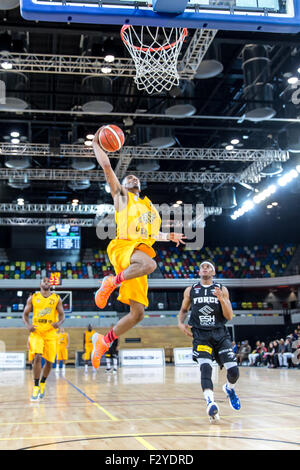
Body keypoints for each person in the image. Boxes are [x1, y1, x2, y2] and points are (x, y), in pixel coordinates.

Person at [91, 128, 186, 369]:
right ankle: (111, 282)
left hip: (139, 252)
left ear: (140, 185)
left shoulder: (151, 209)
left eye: (135, 178)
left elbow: (152, 234)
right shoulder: (122, 196)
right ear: (123, 184)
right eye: (128, 177)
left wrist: (168, 236)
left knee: (138, 314)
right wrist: (96, 144)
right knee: (149, 264)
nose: (132, 178)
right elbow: (107, 168)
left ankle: (104, 341)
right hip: (123, 246)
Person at [178, 261, 241, 424]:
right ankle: (210, 402)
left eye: (208, 267)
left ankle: (229, 388)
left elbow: (229, 316)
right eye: (202, 267)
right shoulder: (191, 290)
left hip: (220, 334)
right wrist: (180, 322)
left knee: (234, 371)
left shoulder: (222, 288)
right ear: (199, 272)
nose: (204, 268)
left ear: (213, 272)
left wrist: (221, 299)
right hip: (201, 335)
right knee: (205, 368)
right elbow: (184, 310)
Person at [23, 277, 65, 401]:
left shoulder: (57, 299)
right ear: (40, 284)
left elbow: (62, 315)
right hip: (37, 332)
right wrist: (28, 325)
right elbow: (25, 314)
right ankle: (35, 386)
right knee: (37, 356)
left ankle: (42, 382)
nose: (46, 282)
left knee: (50, 361)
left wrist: (59, 323)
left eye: (48, 281)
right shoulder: (33, 298)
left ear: (50, 284)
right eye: (44, 281)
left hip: (51, 332)